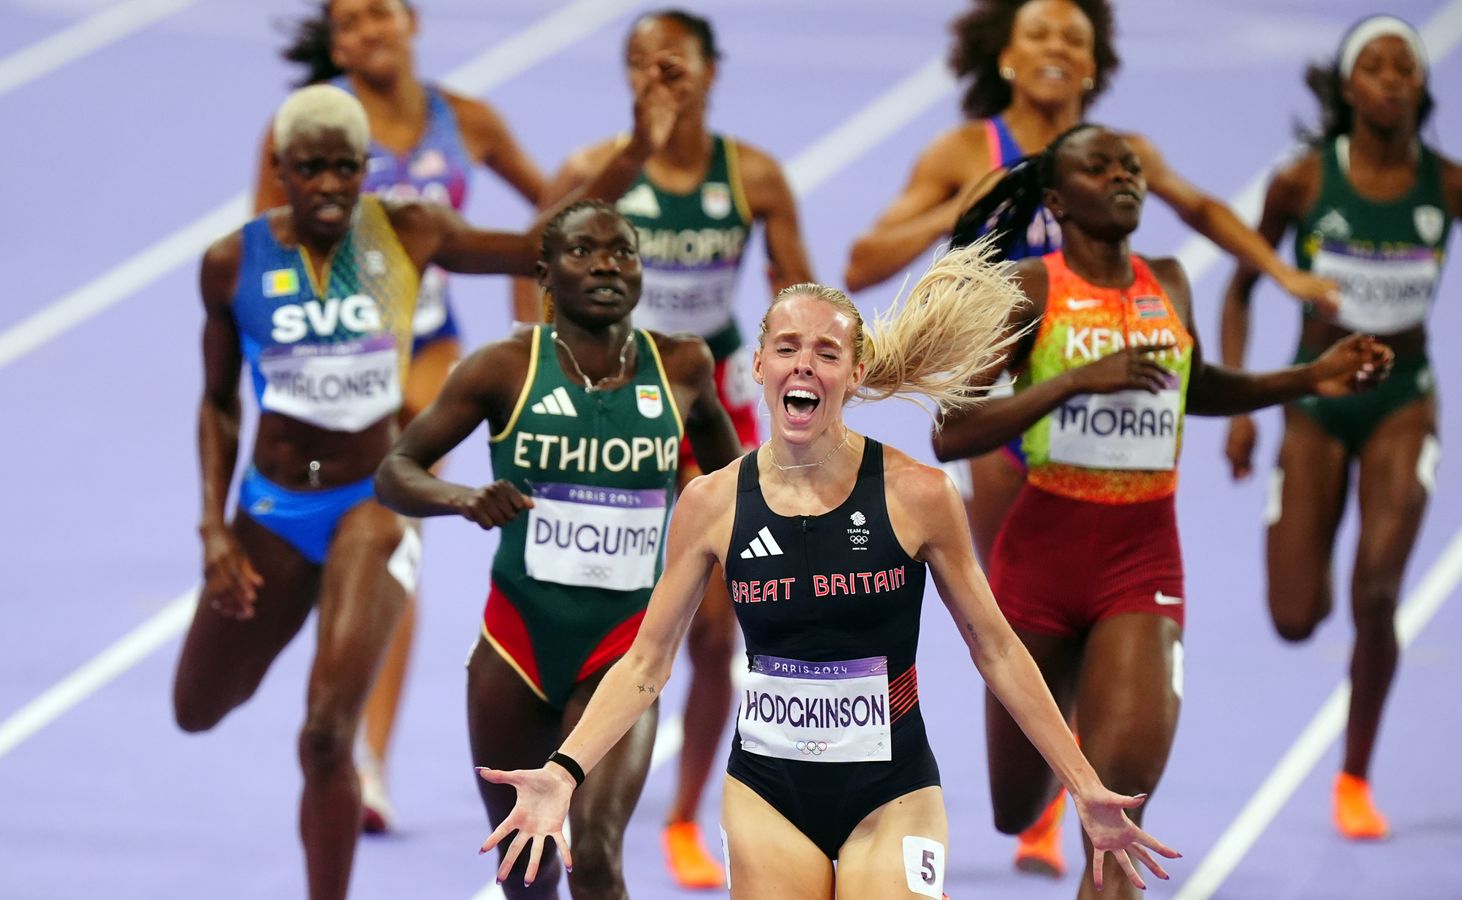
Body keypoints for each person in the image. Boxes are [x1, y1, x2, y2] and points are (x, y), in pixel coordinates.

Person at [473, 243, 1182, 899]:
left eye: (826, 351)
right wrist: (563, 772)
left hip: (892, 790)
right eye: (786, 348)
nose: (804, 365)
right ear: (759, 369)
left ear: (855, 373)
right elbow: (646, 665)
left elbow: (995, 648)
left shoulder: (918, 496)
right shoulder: (713, 503)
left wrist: (1084, 786)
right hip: (767, 793)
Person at [844, 0, 1340, 876]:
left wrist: (1282, 273)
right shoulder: (968, 152)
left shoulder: (1118, 156)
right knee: (1024, 621)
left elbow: (1206, 210)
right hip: (1011, 413)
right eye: (1040, 32)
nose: (1057, 48)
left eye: (1075, 36)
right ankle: (1047, 754)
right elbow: (861, 263)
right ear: (1006, 56)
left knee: (1101, 643)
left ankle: (1088, 755)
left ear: (1094, 61)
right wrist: (962, 210)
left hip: (1122, 456)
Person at [178, 75, 680, 900]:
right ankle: (297, 602)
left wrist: (635, 151)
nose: (334, 185)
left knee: (325, 736)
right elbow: (216, 399)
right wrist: (211, 524)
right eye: (313, 169)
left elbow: (544, 244)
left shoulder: (406, 235)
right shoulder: (233, 262)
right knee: (199, 705)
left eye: (349, 166)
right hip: (270, 505)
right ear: (280, 168)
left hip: (367, 505)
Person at [936, 123, 1391, 899]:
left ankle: (1106, 725)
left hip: (1141, 566)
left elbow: (1196, 386)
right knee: (1017, 809)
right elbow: (952, 431)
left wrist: (1308, 377)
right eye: (1100, 167)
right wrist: (1075, 382)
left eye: (1132, 166)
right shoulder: (1033, 291)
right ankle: (1080, 718)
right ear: (1057, 198)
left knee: (1118, 824)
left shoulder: (1171, 281)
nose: (1124, 176)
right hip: (1039, 561)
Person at [1217, 15, 1462, 840]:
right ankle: (1314, 535)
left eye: (1408, 67)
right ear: (1348, 87)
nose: (1394, 77)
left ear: (1422, 88)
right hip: (1318, 401)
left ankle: (1354, 780)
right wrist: (1248, 406)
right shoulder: (1300, 183)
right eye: (1377, 66)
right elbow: (1238, 290)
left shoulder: (1458, 189)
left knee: (1378, 591)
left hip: (1404, 402)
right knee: (1296, 617)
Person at [521, 9, 816, 887]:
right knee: (600, 601)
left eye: (677, 64)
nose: (663, 78)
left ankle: (685, 816)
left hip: (714, 406)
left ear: (711, 73)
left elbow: (797, 292)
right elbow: (534, 278)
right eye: (644, 64)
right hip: (622, 416)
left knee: (720, 633)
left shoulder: (752, 175)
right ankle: (564, 758)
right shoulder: (593, 174)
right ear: (627, 77)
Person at [374, 199, 739, 899]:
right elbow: (396, 470)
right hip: (514, 649)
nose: (606, 263)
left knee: (596, 855)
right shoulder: (502, 369)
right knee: (527, 870)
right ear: (544, 274)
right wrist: (464, 498)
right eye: (583, 251)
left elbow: (737, 491)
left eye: (622, 251)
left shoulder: (683, 366)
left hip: (625, 653)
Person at [254, 0, 550, 831]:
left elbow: (545, 217)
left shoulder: (470, 122)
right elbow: (261, 242)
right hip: (327, 364)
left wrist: (530, 324)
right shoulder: (309, 127)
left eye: (378, 13)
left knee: (391, 539)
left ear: (412, 20)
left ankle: (367, 760)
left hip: (423, 351)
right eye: (347, 24)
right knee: (339, 551)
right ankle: (341, 729)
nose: (366, 32)